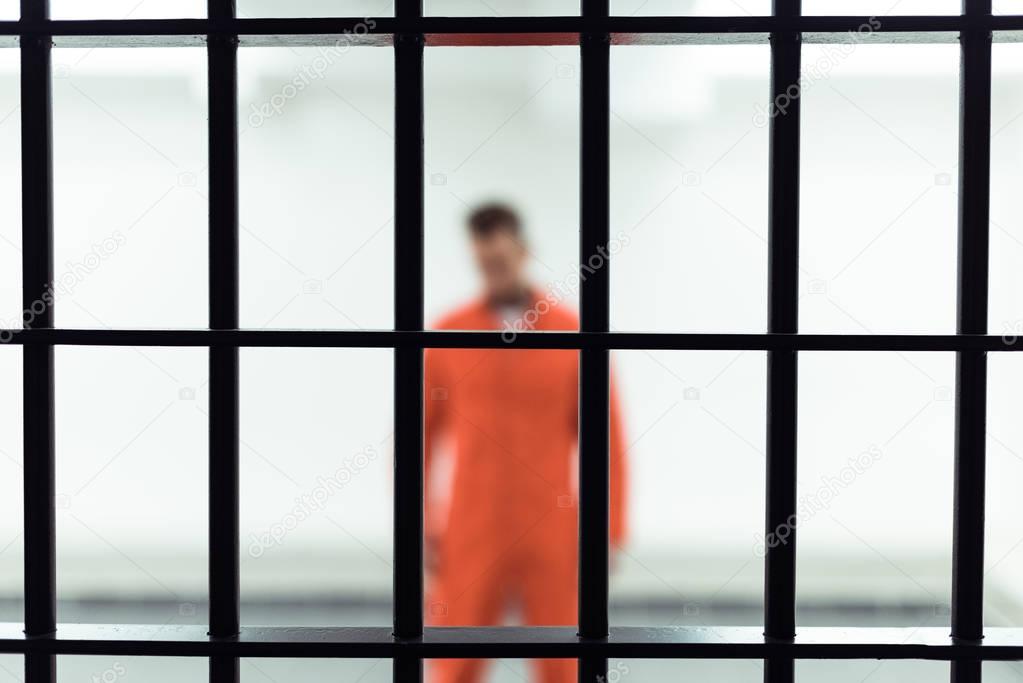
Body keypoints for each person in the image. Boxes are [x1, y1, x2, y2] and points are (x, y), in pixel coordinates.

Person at [424, 203, 628, 683]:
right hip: (470, 529)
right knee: (454, 665)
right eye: (483, 263)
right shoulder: (449, 333)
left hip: (552, 528)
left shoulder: (572, 333)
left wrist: (609, 529)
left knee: (564, 665)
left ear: (525, 250)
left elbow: (606, 442)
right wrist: (418, 525)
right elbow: (416, 439)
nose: (494, 271)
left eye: (501, 259)